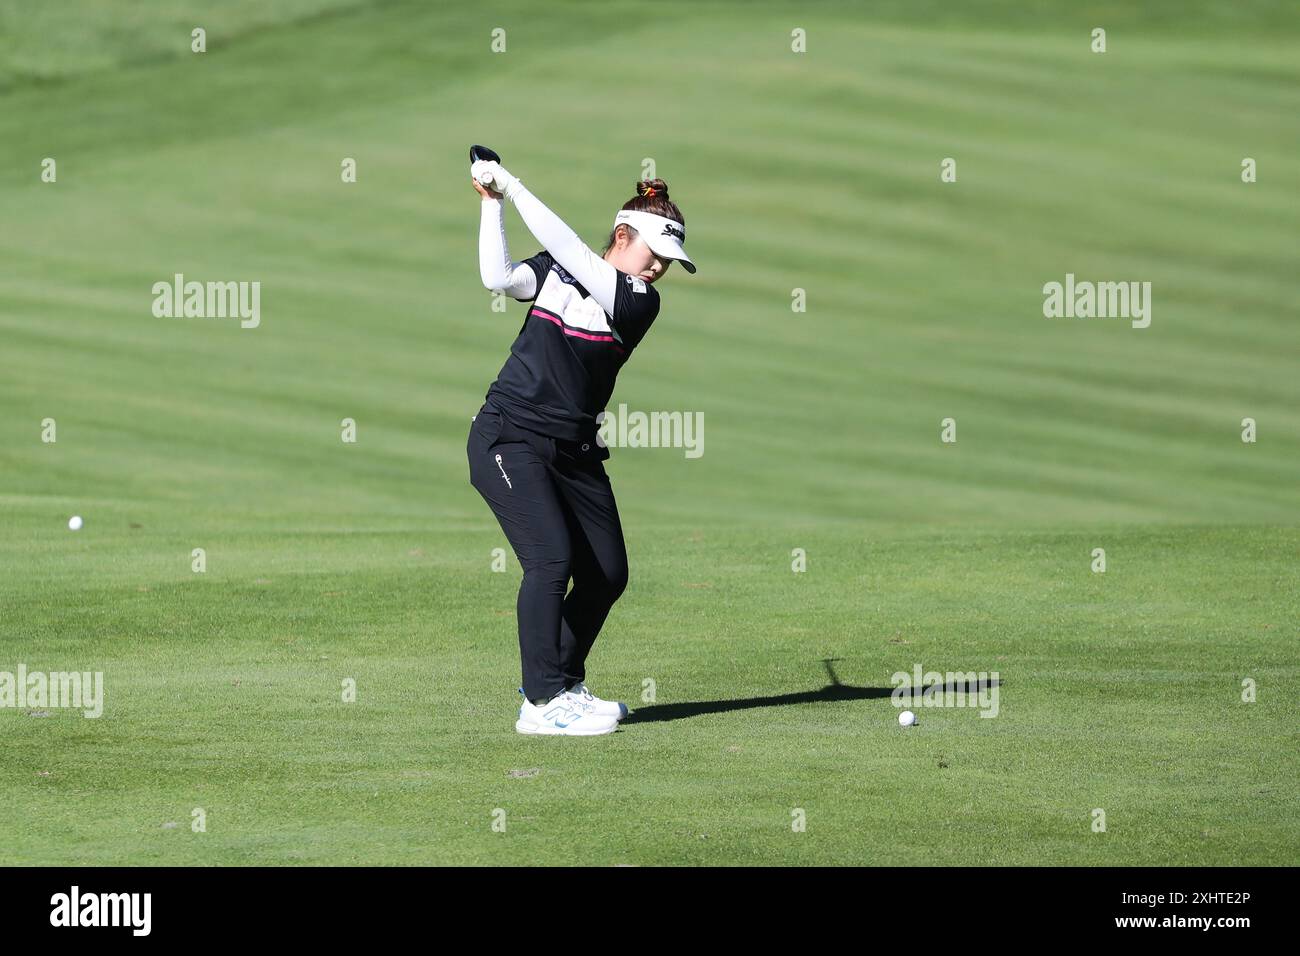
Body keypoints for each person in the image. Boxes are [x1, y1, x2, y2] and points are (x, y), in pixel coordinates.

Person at [466, 149, 696, 735]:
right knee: (550, 558)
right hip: (509, 436)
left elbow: (572, 250)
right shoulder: (557, 271)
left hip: (573, 448)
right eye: (655, 254)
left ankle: (563, 682)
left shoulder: (638, 301)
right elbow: (498, 277)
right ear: (624, 235)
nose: (659, 269)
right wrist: (493, 204)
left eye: (669, 262)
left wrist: (512, 182)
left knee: (607, 573)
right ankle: (542, 703)